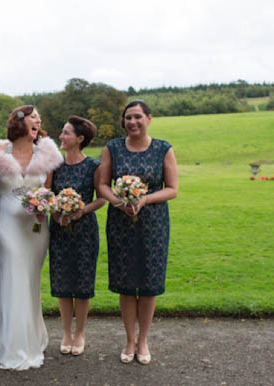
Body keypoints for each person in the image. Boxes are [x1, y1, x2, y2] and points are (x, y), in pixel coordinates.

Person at [0, 105, 62, 370]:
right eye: (34, 117)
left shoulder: (47, 152)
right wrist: (11, 191)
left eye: (39, 119)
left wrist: (41, 205)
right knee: (10, 277)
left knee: (29, 280)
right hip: (7, 222)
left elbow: (48, 188)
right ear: (19, 121)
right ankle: (8, 345)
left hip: (35, 226)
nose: (39, 121)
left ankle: (30, 338)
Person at [97, 100, 178, 365]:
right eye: (128, 118)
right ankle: (129, 340)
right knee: (126, 282)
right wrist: (120, 202)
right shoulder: (113, 148)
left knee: (149, 282)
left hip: (153, 223)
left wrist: (143, 200)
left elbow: (172, 189)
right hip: (120, 223)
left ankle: (144, 340)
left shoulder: (163, 149)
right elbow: (102, 185)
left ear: (149, 118)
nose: (132, 122)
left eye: (137, 117)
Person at [49, 116, 105, 356]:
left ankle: (80, 333)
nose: (61, 137)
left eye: (66, 133)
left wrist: (81, 210)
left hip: (84, 231)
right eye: (62, 132)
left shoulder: (94, 165)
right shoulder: (54, 165)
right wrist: (56, 212)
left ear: (80, 139)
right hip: (59, 230)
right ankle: (66, 332)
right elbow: (46, 195)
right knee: (62, 283)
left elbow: (102, 198)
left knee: (82, 283)